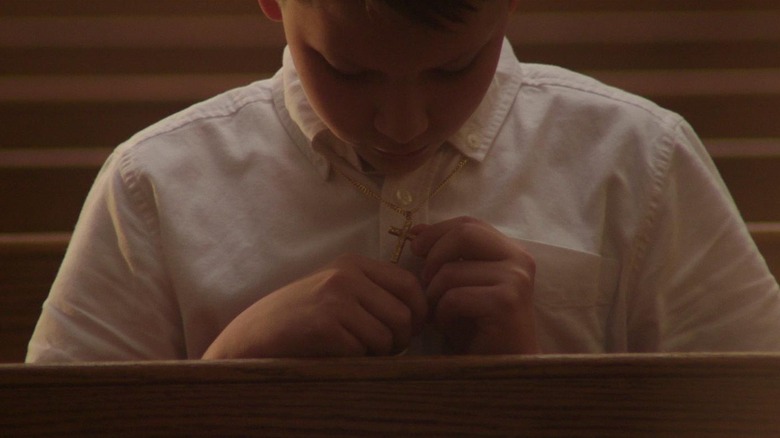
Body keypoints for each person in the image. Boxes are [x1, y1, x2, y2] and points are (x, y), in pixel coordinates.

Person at [26, 0, 780, 362]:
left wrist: (535, 395)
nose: (402, 123)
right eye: (347, 70)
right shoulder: (151, 187)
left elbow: (749, 412)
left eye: (454, 67)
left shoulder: (638, 163)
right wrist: (228, 373)